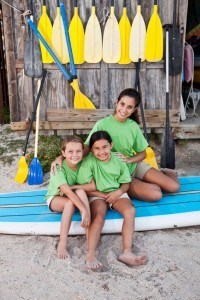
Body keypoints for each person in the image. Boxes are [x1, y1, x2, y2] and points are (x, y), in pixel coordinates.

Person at [51, 88, 180, 202]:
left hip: (133, 166)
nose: (124, 109)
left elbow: (143, 153)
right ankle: (144, 185)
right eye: (122, 104)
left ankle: (167, 172)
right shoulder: (102, 124)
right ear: (116, 102)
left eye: (129, 107)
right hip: (116, 174)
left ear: (134, 109)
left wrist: (129, 160)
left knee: (174, 187)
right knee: (156, 194)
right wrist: (60, 158)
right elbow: (85, 148)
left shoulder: (133, 126)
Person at [75, 130, 147, 270]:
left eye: (104, 147)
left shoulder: (118, 160)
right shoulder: (88, 162)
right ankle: (91, 254)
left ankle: (126, 252)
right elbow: (85, 188)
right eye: (96, 148)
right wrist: (101, 195)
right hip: (96, 193)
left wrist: (118, 192)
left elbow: (126, 183)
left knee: (130, 211)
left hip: (115, 191)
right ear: (91, 149)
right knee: (99, 217)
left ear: (111, 145)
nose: (101, 152)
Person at [46, 136, 95, 259]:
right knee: (70, 203)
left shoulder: (83, 164)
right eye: (70, 152)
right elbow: (67, 192)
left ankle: (89, 237)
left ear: (83, 152)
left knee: (81, 192)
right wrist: (83, 209)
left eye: (78, 151)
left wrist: (77, 188)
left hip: (71, 194)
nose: (75, 155)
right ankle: (62, 243)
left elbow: (92, 186)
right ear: (63, 153)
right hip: (55, 198)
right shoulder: (58, 168)